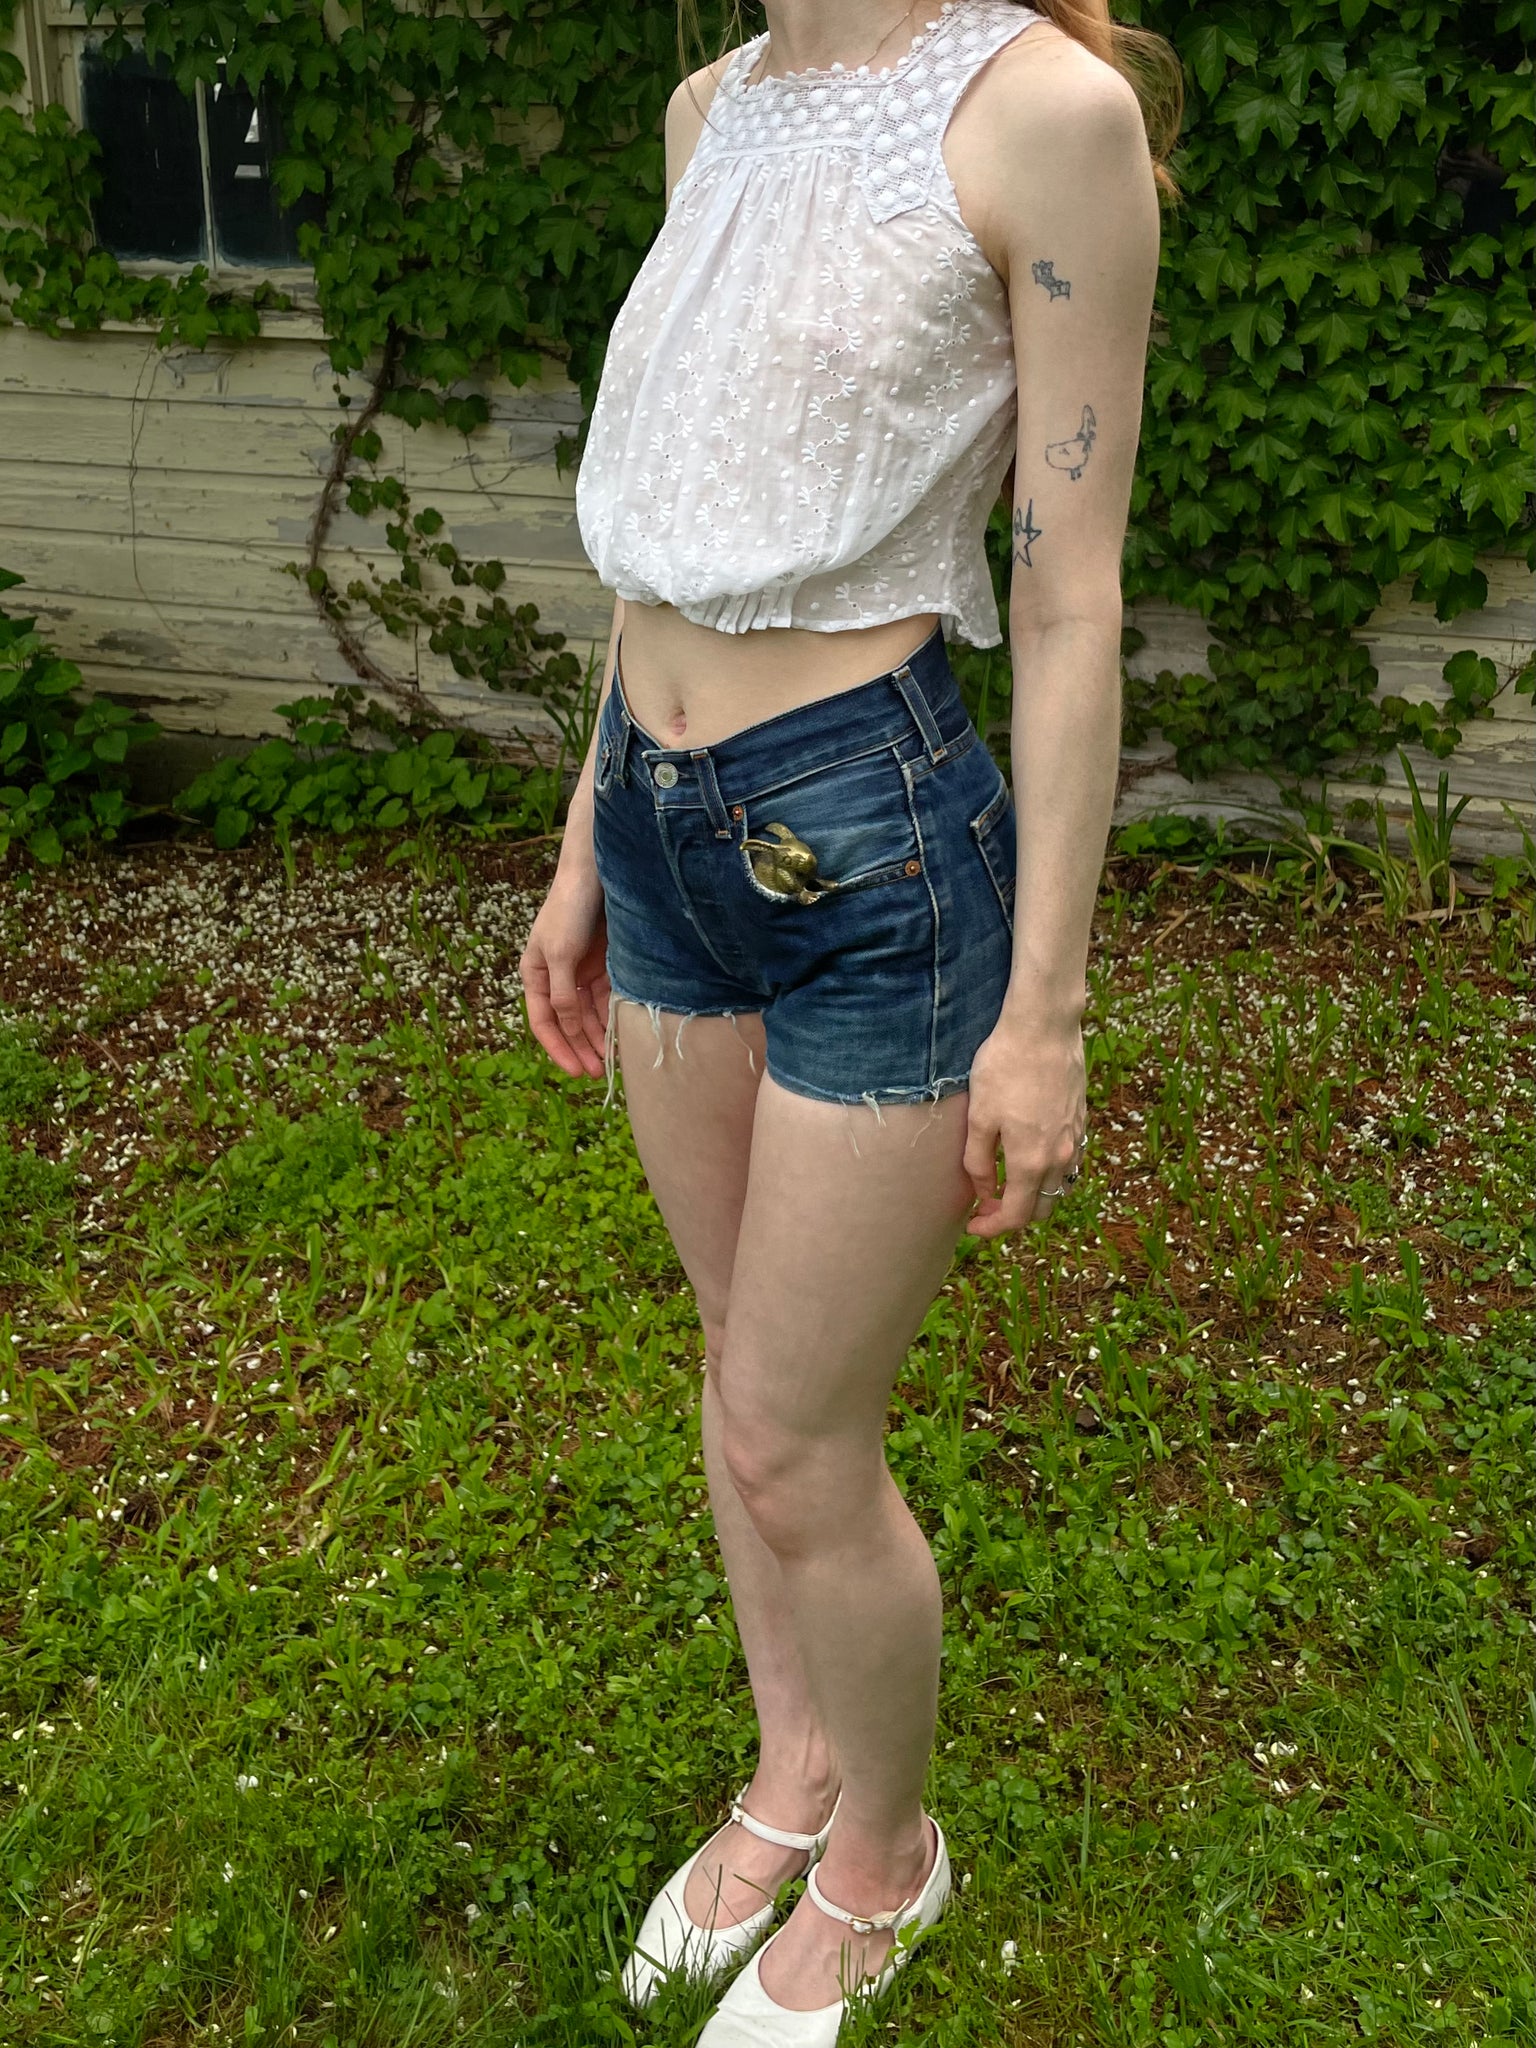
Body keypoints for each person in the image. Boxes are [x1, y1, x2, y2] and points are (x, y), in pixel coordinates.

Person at [518, 1, 1176, 2037]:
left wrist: (1045, 1010)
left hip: (865, 840)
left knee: (802, 1434)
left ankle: (888, 1856)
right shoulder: (704, 109)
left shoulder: (1045, 116)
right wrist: (580, 847)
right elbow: (669, 534)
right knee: (740, 1373)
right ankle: (792, 1767)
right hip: (664, 822)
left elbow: (1069, 595)